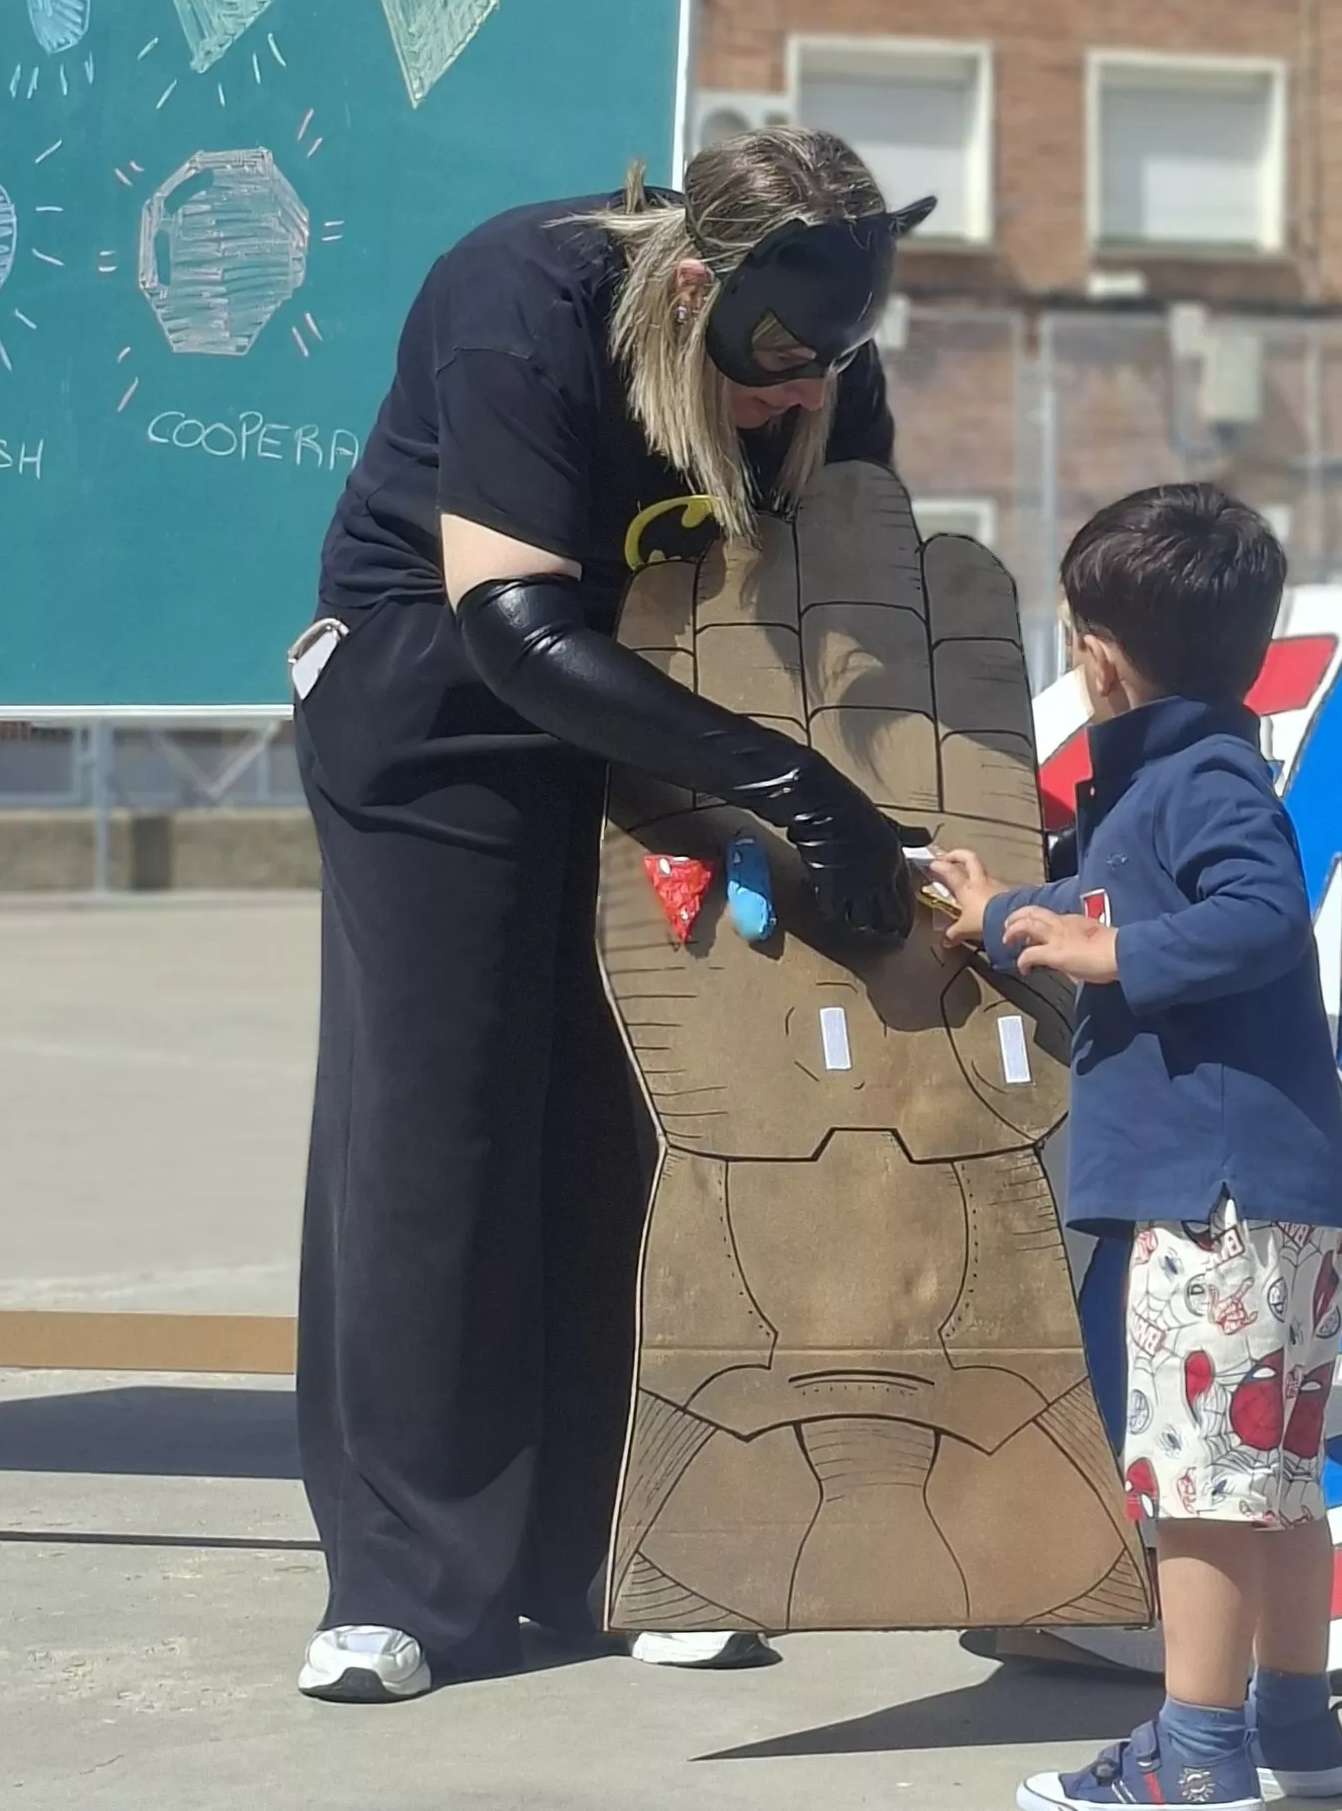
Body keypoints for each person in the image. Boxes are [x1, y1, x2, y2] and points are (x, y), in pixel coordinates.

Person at [289, 126, 933, 1702]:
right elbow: (511, 621)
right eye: (775, 356)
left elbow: (857, 588)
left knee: (648, 1123)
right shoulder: (523, 294)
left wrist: (911, 800)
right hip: (450, 709)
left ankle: (620, 1546)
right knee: (450, 1126)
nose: (800, 391)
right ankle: (408, 1579)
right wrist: (785, 790)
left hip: (665, 708)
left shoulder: (818, 360)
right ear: (695, 283)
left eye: (836, 356)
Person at [932, 486, 1342, 1811]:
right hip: (1285, 1202)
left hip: (1214, 1208)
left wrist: (1107, 952)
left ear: (1096, 654)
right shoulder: (1182, 783)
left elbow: (1257, 918)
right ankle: (1295, 1731)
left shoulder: (1201, 784)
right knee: (1275, 1487)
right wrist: (1012, 912)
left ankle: (1196, 1758)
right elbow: (1101, 903)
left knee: (1201, 1497)